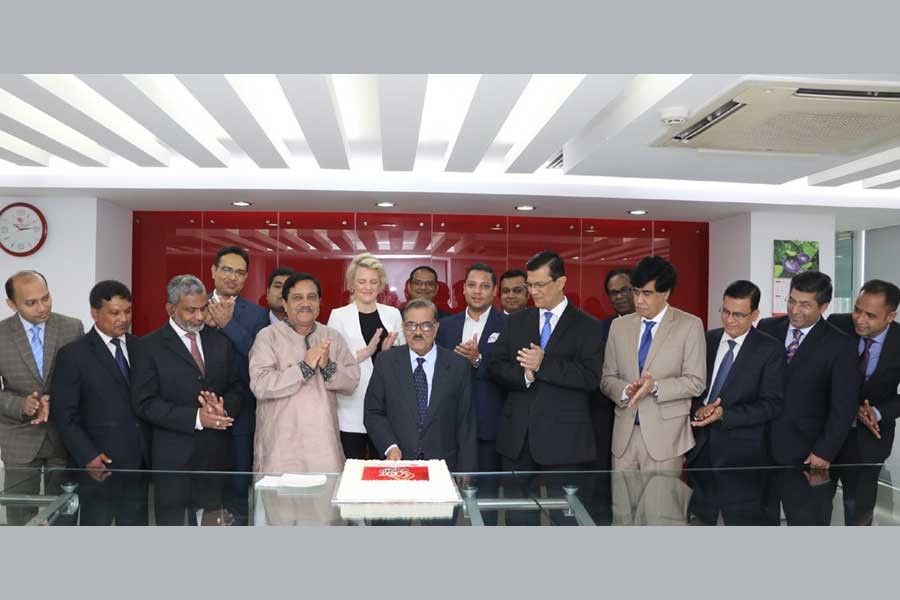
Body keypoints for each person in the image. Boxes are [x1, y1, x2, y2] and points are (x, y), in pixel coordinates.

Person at [130, 274, 244, 526]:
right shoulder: (148, 346)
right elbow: (144, 403)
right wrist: (196, 418)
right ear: (170, 309)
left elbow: (237, 387)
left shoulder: (219, 341)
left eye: (203, 309)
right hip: (173, 460)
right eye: (191, 310)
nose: (200, 317)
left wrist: (224, 407)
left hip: (215, 457)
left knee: (213, 527)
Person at [757, 271, 859, 525]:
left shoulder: (841, 344)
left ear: (824, 306)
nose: (795, 310)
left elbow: (843, 406)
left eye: (805, 304)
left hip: (807, 454)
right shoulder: (767, 329)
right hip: (760, 448)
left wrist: (824, 451)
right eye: (791, 300)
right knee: (760, 520)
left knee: (807, 522)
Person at [684, 280, 784, 526]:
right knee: (700, 520)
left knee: (741, 522)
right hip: (701, 449)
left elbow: (771, 404)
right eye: (725, 311)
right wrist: (698, 408)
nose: (729, 320)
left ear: (755, 314)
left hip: (743, 455)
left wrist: (724, 414)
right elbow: (692, 385)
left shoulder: (769, 349)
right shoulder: (706, 339)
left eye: (738, 314)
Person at [51, 280, 150, 525]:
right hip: (98, 466)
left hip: (138, 464)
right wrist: (87, 455)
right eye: (114, 313)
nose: (123, 319)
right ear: (95, 313)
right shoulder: (73, 355)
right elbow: (64, 415)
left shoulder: (141, 348)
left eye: (127, 311)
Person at [600, 255, 707, 471]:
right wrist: (625, 390)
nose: (638, 300)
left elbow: (696, 381)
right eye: (636, 292)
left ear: (666, 293)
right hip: (624, 438)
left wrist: (655, 387)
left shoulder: (689, 325)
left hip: (666, 438)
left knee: (662, 504)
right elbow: (607, 379)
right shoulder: (619, 327)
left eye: (647, 294)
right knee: (623, 505)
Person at [250, 272, 360, 474]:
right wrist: (304, 367)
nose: (305, 303)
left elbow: (352, 381)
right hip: (281, 446)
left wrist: (327, 365)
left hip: (323, 447)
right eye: (297, 298)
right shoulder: (267, 337)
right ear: (284, 303)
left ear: (319, 302)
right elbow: (260, 385)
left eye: (311, 297)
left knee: (324, 503)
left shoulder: (331, 336)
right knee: (280, 503)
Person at [0, 270, 84, 525]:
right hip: (19, 439)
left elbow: (83, 380)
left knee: (64, 512)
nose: (42, 307)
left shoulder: (72, 327)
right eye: (31, 302)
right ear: (12, 304)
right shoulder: (1, 335)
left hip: (63, 434)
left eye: (46, 298)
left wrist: (55, 399)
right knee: (20, 515)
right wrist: (19, 404)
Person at [364, 298, 477, 472]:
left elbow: (466, 423)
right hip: (399, 465)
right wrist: (390, 446)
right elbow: (373, 412)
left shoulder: (457, 365)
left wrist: (466, 470)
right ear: (403, 327)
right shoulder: (386, 362)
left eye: (425, 325)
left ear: (436, 327)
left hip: (444, 466)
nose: (417, 332)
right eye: (410, 325)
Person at [827, 279, 900, 525]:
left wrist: (877, 413)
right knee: (814, 508)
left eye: (870, 315)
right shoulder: (836, 325)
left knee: (857, 511)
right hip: (825, 436)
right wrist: (851, 407)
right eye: (857, 309)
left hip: (868, 442)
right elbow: (817, 376)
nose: (859, 319)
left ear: (891, 316)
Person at [327, 253, 404, 460]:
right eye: (362, 281)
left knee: (385, 468)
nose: (368, 287)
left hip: (386, 403)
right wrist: (365, 353)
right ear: (352, 284)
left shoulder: (393, 314)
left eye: (373, 282)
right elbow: (331, 362)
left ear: (381, 285)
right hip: (351, 402)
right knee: (353, 467)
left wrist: (389, 354)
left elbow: (404, 360)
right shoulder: (338, 315)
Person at [435, 263, 507, 472]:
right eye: (472, 285)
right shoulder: (446, 326)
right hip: (448, 423)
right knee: (448, 491)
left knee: (486, 496)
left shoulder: (509, 325)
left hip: (489, 424)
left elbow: (512, 374)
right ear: (464, 289)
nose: (477, 291)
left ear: (495, 291)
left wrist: (478, 360)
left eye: (484, 286)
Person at [206, 246, 269, 473]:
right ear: (213, 271)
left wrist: (228, 325)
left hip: (241, 410)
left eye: (240, 272)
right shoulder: (193, 306)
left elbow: (258, 356)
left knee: (239, 479)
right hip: (198, 407)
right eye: (226, 270)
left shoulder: (257, 314)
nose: (232, 277)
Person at [593, 267, 636, 470]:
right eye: (613, 292)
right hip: (607, 416)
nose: (619, 297)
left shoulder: (657, 328)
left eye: (625, 290)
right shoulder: (599, 329)